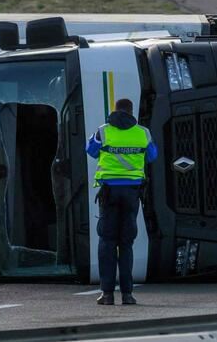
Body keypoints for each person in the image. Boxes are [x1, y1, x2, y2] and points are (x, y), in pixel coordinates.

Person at [86, 98, 157, 306]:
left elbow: (90, 151)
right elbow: (152, 155)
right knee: (126, 243)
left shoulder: (103, 131)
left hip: (108, 193)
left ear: (115, 111)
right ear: (131, 111)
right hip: (132, 193)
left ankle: (107, 294)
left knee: (107, 241)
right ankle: (128, 295)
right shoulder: (143, 133)